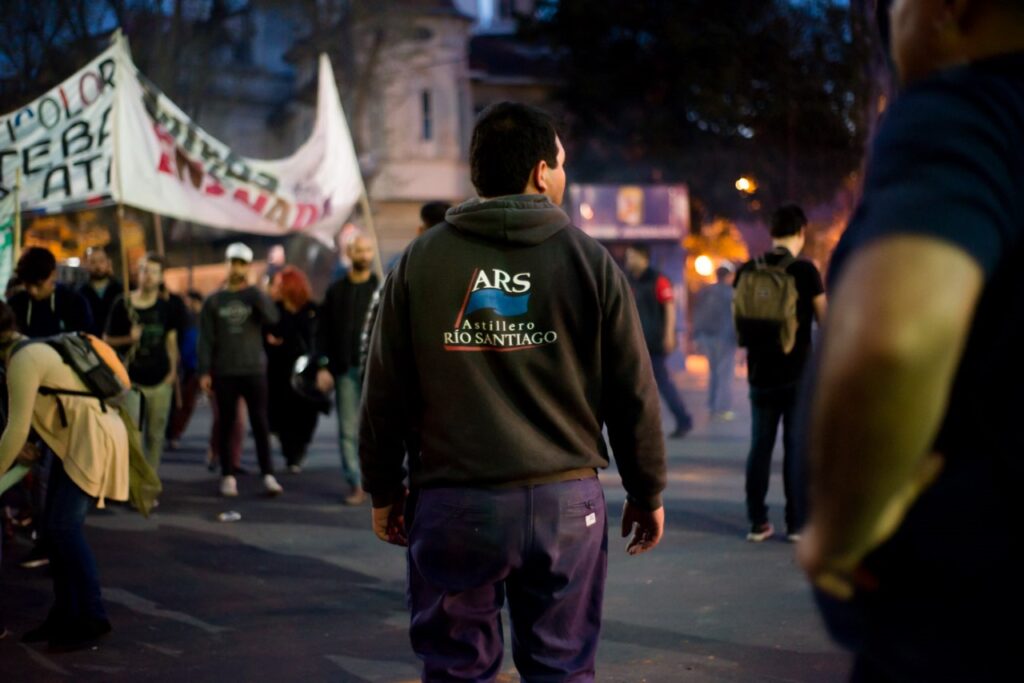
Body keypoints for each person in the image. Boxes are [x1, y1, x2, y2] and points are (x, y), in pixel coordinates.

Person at [360, 101, 667, 681]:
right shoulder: (590, 261)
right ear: (540, 172)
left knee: (456, 669)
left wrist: (383, 489)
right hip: (565, 505)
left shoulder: (420, 261)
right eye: (562, 161)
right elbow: (633, 391)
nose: (564, 172)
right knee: (562, 667)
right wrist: (646, 489)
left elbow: (384, 395)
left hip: (455, 502)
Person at [798, 2, 1024, 680]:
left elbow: (893, 338)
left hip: (965, 628)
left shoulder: (974, 109)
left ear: (943, 7)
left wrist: (837, 530)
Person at [0, 301, 128, 651]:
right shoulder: (30, 349)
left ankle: (92, 615)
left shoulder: (22, 360)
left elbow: (15, 430)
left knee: (64, 529)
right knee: (54, 529)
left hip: (90, 440)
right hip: (76, 441)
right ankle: (65, 612)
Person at [734, 205, 825, 543]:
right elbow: (825, 319)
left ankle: (757, 522)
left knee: (760, 446)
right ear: (801, 232)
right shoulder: (805, 270)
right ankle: (797, 523)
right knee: (794, 447)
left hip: (760, 374)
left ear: (772, 232)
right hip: (798, 375)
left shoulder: (747, 269)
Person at [198, 242, 283, 497]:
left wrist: (257, 293)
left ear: (247, 267)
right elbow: (206, 339)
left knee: (260, 423)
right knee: (226, 424)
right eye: (233, 262)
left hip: (253, 369)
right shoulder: (214, 301)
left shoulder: (254, 296)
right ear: (227, 263)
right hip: (225, 371)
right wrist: (204, 371)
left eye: (242, 263)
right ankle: (228, 475)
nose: (237, 268)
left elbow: (273, 319)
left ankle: (268, 475)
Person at [315, 235, 379, 505]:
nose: (363, 255)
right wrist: (323, 366)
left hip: (376, 371)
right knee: (348, 430)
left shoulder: (381, 288)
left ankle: (379, 481)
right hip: (344, 370)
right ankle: (356, 482)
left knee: (377, 429)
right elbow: (322, 331)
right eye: (358, 250)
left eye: (367, 250)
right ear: (350, 253)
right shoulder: (336, 290)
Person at [104, 254, 180, 475]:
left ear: (161, 277)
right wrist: (129, 339)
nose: (148, 276)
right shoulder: (123, 303)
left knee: (156, 436)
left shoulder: (167, 307)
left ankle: (149, 483)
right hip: (131, 379)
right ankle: (132, 483)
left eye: (153, 272)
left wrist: (172, 373)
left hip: (160, 379)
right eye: (144, 270)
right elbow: (106, 339)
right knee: (131, 436)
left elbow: (171, 342)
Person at [624, 243, 693, 438]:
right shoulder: (629, 280)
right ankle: (641, 425)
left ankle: (683, 419)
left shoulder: (658, 280)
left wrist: (668, 335)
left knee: (662, 382)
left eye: (631, 256)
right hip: (634, 342)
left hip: (653, 342)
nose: (628, 260)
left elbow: (669, 308)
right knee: (636, 385)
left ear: (643, 258)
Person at [265, 266, 320, 472]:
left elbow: (318, 338)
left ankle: (299, 448)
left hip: (306, 371)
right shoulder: (274, 310)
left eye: (280, 283)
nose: (276, 287)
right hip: (280, 372)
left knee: (306, 413)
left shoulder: (311, 310)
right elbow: (266, 335)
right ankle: (291, 454)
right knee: (283, 413)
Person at [7, 247, 93, 337]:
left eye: (39, 285)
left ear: (53, 274)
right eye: (28, 285)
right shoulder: (16, 304)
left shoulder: (75, 303)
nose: (33, 291)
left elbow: (85, 341)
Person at [692, 262, 738, 421]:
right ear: (727, 276)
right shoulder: (731, 293)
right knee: (725, 374)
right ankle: (723, 408)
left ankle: (711, 406)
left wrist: (697, 336)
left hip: (707, 337)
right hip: (725, 338)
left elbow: (697, 313)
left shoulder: (706, 291)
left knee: (713, 373)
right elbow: (735, 318)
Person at [167, 290, 203, 450]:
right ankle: (173, 433)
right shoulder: (185, 318)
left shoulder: (201, 319)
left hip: (195, 365)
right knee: (181, 402)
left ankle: (175, 432)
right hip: (186, 366)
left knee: (187, 403)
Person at [76, 248, 122, 337]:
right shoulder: (80, 292)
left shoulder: (120, 289)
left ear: (108, 262)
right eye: (93, 262)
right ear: (86, 264)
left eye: (101, 261)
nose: (98, 266)